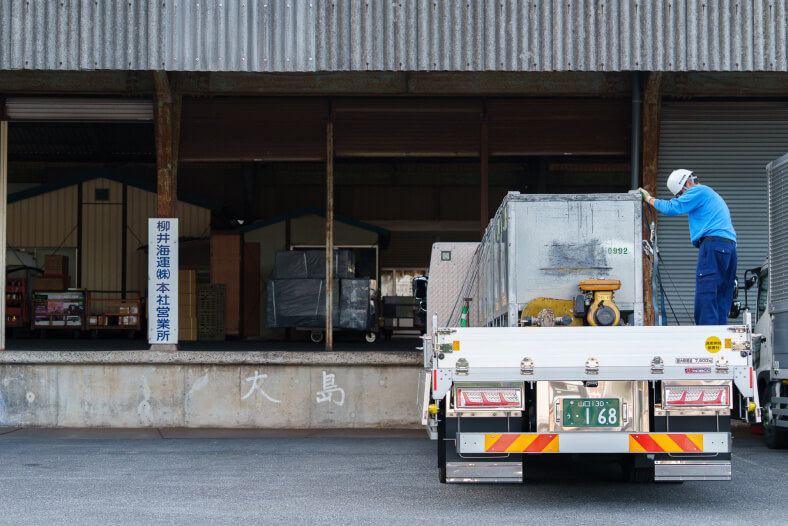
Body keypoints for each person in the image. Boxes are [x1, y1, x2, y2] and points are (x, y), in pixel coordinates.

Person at [639, 169, 737, 325]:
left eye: (680, 194)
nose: (682, 198)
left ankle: (706, 339)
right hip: (729, 249)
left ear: (688, 183)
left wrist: (649, 199)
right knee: (721, 295)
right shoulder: (711, 195)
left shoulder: (699, 191)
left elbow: (672, 208)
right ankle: (719, 336)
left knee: (707, 292)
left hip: (713, 245)